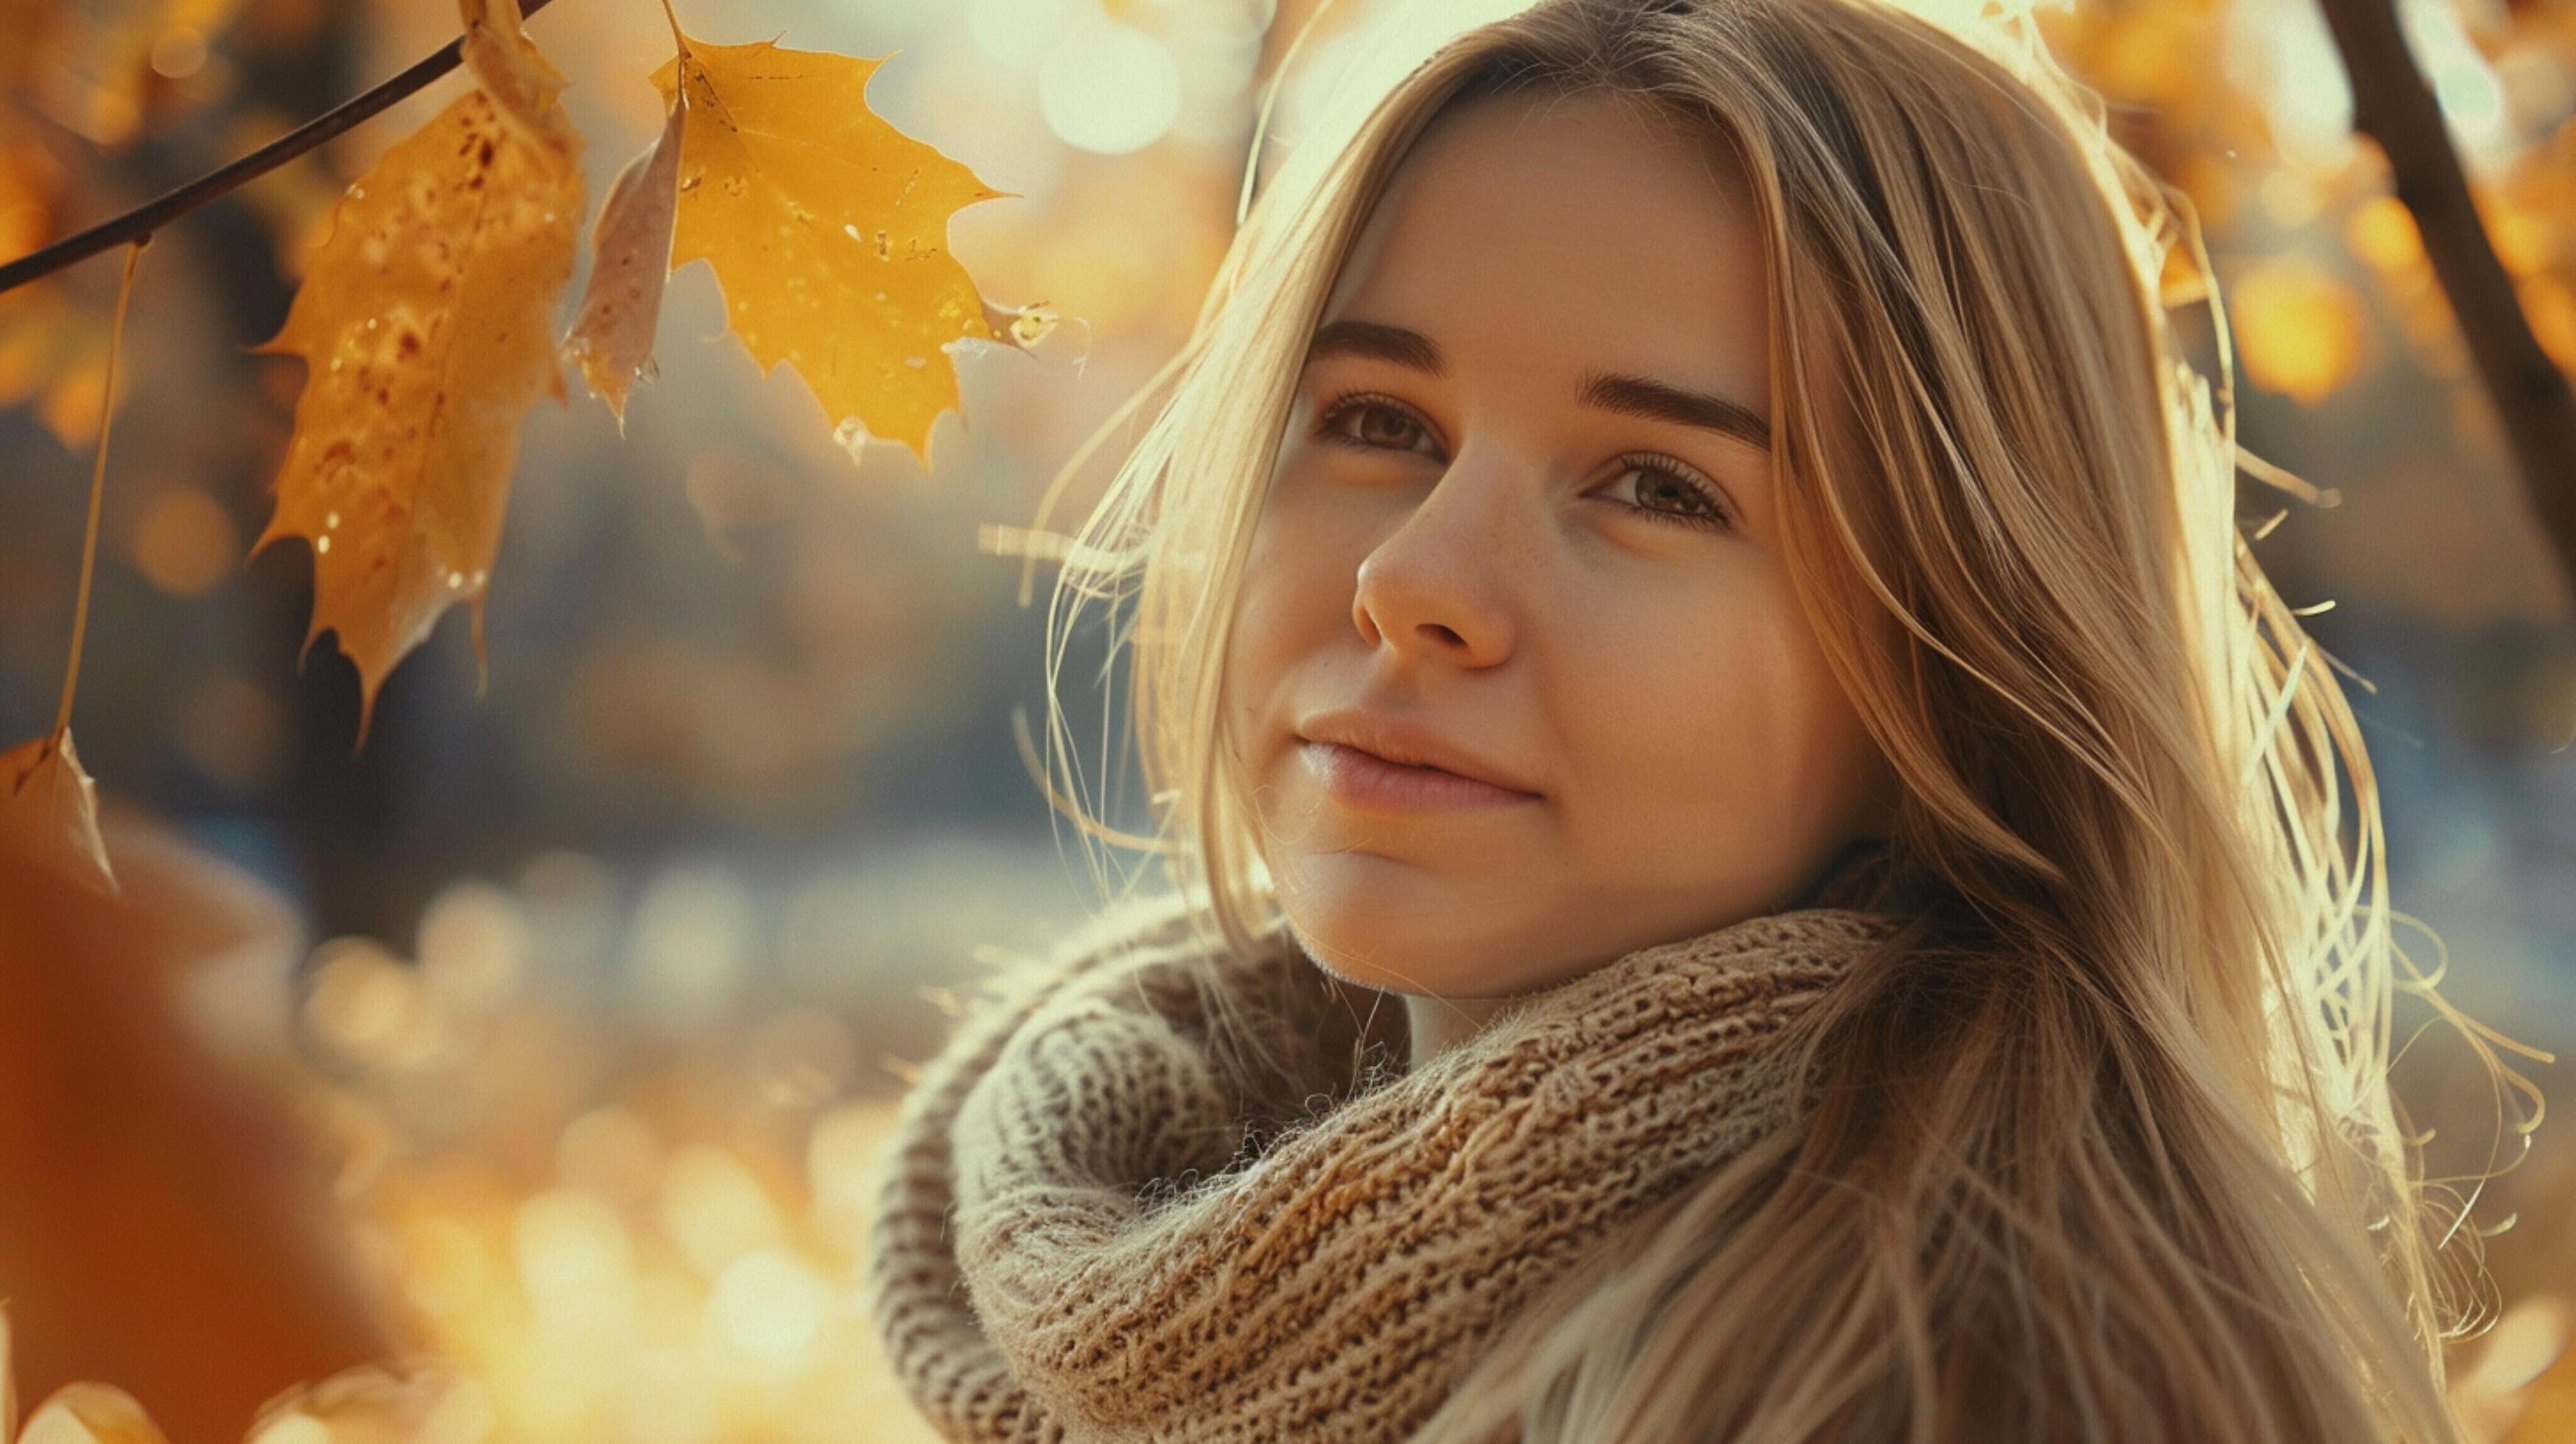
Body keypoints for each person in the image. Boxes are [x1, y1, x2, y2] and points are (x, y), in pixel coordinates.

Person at [866, 0, 2536, 1437]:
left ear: (1955, 657)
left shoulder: (1959, 1376)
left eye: (1658, 484)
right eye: (1378, 415)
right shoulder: (1090, 1229)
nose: (1412, 574)